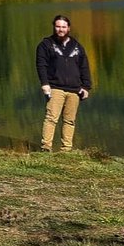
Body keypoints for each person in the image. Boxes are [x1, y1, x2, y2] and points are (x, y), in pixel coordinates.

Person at [36, 14, 92, 152]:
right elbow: (41, 65)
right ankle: (46, 147)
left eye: (63, 27)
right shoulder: (46, 45)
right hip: (55, 87)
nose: (60, 29)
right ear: (54, 27)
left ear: (68, 28)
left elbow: (84, 66)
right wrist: (45, 84)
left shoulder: (77, 46)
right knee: (51, 118)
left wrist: (86, 86)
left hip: (74, 89)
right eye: (58, 26)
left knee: (69, 120)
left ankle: (66, 149)